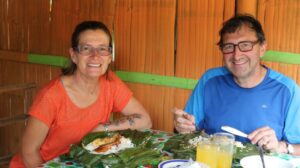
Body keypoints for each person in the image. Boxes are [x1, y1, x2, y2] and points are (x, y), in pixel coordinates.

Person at [10, 21, 152, 167]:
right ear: (73, 55)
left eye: (102, 49)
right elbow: (28, 151)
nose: (95, 56)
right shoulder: (51, 96)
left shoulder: (110, 83)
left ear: (109, 56)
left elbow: (145, 120)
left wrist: (102, 128)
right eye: (86, 48)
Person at [173, 14, 300, 156]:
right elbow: (190, 130)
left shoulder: (287, 90)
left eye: (245, 45)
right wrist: (182, 127)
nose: (236, 55)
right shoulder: (209, 80)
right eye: (229, 47)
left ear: (262, 48)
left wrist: (281, 147)